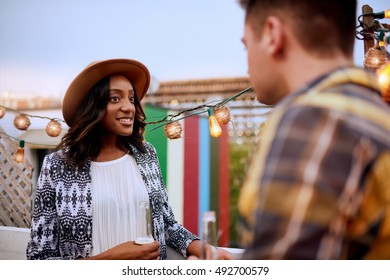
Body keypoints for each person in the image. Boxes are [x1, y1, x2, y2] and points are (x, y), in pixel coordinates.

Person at [26, 58, 232, 260]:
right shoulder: (57, 165)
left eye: (131, 99)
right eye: (115, 98)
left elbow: (167, 224)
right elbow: (40, 257)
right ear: (92, 106)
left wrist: (203, 249)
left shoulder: (146, 154)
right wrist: (110, 260)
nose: (129, 107)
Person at [237, 0, 390, 259]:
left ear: (273, 35)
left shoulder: (314, 119)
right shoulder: (376, 115)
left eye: (246, 46)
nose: (247, 64)